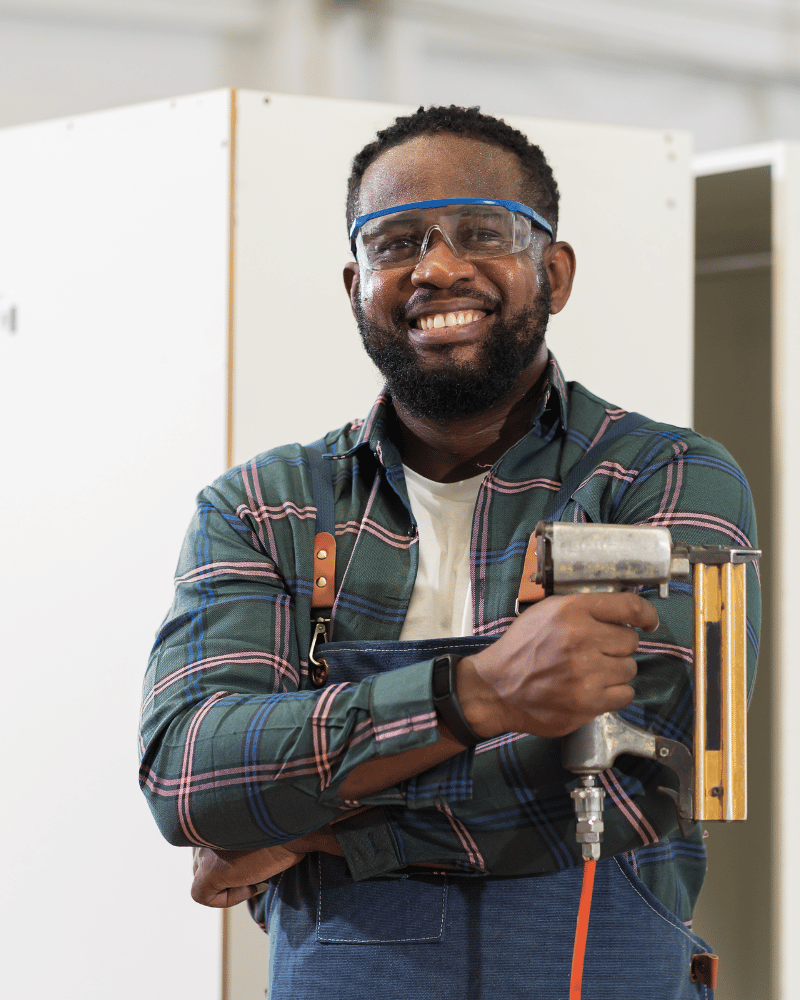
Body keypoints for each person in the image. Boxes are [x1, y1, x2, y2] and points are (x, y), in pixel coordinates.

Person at [139, 105, 759, 999]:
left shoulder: (664, 475)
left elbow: (640, 784)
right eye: (397, 243)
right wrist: (483, 693)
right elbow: (192, 775)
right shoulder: (268, 504)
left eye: (481, 231)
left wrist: (315, 826)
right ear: (356, 282)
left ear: (554, 271)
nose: (436, 266)